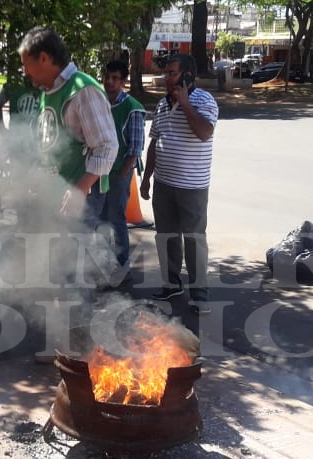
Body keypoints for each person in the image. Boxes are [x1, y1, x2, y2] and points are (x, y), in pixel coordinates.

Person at [140, 53, 217, 315]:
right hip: (163, 184)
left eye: (173, 73)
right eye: (166, 73)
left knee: (194, 240)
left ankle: (200, 293)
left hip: (192, 186)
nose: (167, 78)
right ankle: (171, 284)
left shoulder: (204, 100)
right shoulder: (161, 105)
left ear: (188, 76)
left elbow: (205, 133)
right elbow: (154, 143)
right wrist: (147, 177)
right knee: (166, 237)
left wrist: (185, 104)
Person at [18, 26, 118, 222]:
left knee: (78, 250)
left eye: (26, 64)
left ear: (44, 58)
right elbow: (47, 143)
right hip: (55, 194)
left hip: (79, 197)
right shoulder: (49, 91)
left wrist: (78, 191)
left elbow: (107, 146)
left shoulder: (83, 90)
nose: (24, 71)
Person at [87, 60, 145, 284]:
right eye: (107, 77)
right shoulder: (98, 103)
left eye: (115, 78)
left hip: (119, 172)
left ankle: (122, 267)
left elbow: (135, 149)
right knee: (99, 218)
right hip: (98, 171)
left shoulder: (133, 107)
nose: (109, 82)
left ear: (123, 81)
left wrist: (121, 176)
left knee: (116, 218)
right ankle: (103, 263)